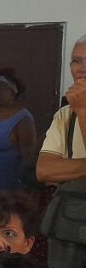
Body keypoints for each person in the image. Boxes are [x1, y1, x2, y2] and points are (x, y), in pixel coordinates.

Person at [37, 35, 86, 186]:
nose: (82, 69)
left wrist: (83, 110)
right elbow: (44, 170)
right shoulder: (66, 114)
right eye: (77, 61)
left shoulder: (78, 109)